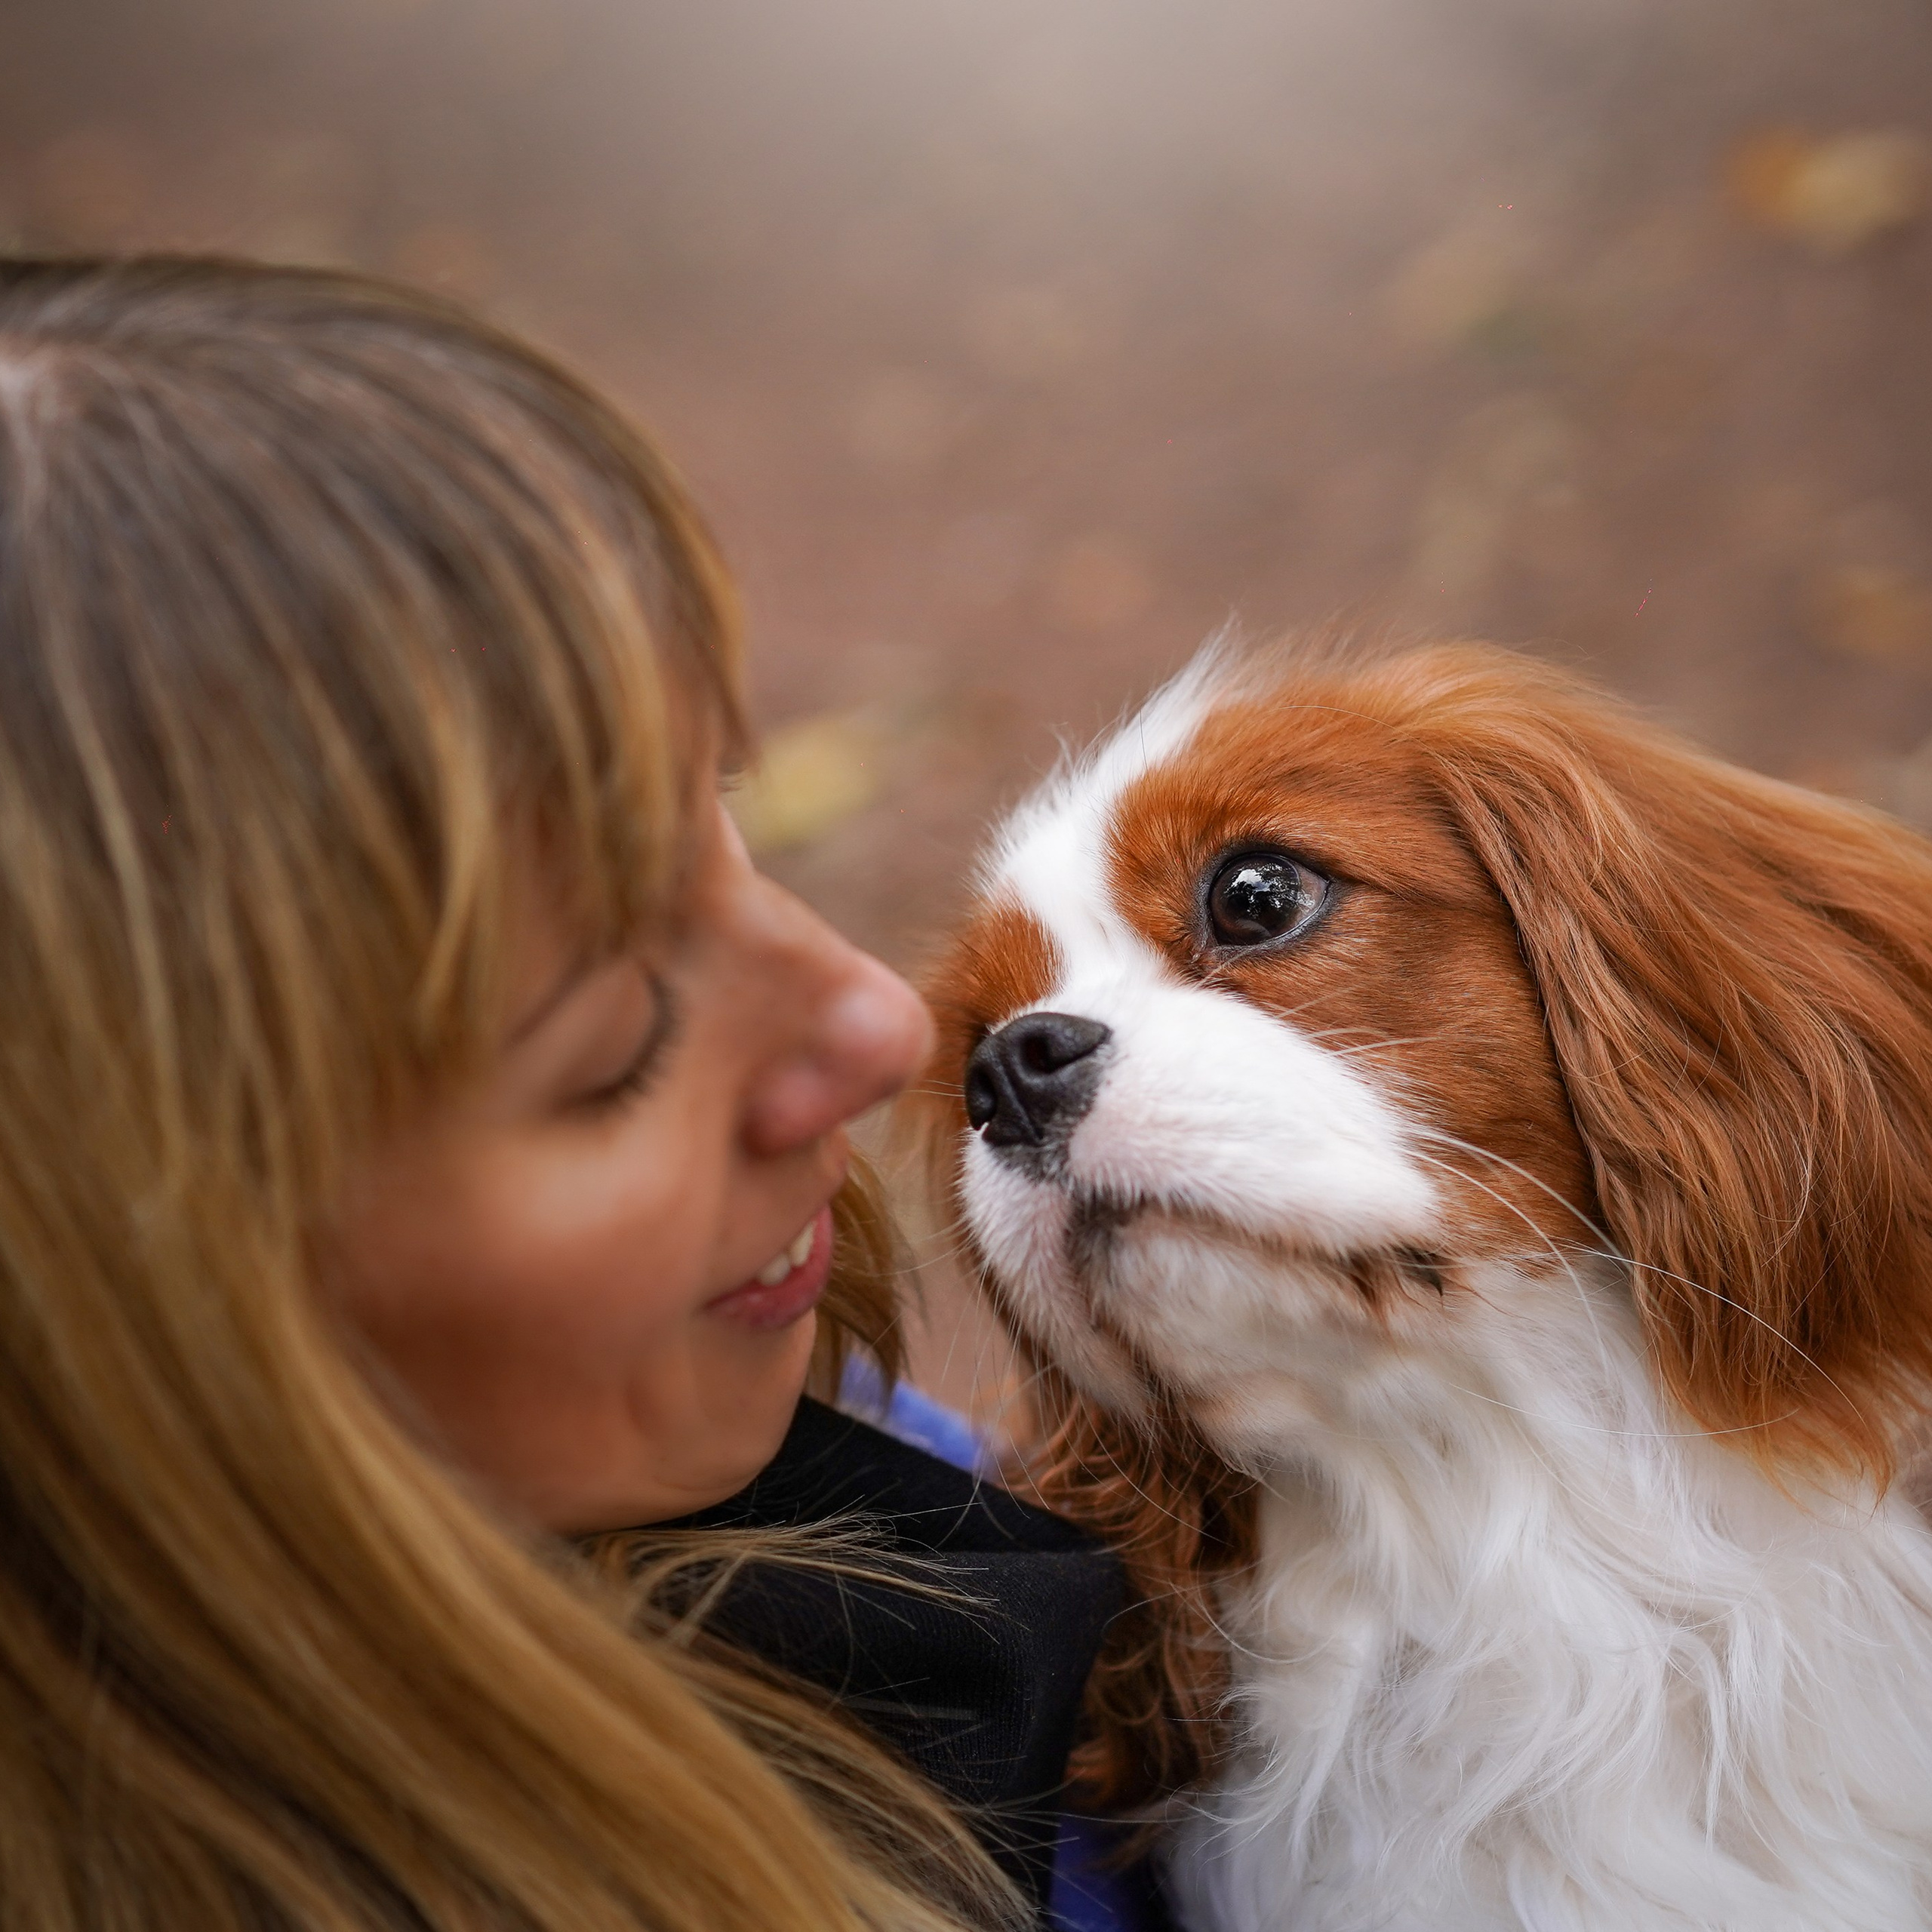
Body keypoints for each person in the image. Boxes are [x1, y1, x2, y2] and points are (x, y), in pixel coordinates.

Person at [0, 255, 1124, 1932]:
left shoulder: (760, 1451)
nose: (884, 1023)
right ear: (131, 1332)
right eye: (614, 1045)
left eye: (721, 809)